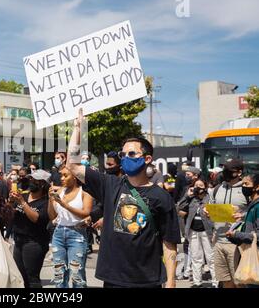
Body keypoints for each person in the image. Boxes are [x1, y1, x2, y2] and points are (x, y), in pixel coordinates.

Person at [66, 109, 180, 288]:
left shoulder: (161, 197)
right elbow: (72, 165)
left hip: (147, 281)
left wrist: (171, 283)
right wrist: (78, 129)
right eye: (123, 154)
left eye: (132, 154)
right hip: (113, 279)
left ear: (147, 158)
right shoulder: (110, 185)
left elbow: (169, 243)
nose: (126, 157)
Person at [47, 166, 93, 288]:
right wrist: (50, 199)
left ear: (75, 177)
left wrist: (64, 204)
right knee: (59, 274)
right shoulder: (60, 191)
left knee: (76, 274)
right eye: (61, 175)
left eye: (65, 175)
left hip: (77, 234)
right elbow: (52, 216)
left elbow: (86, 212)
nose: (62, 178)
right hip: (58, 233)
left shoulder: (84, 192)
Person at [205, 158, 248, 288]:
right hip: (219, 241)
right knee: (225, 281)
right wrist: (207, 212)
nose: (225, 173)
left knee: (240, 282)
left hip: (238, 243)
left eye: (229, 171)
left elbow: (255, 212)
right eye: (225, 170)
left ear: (239, 172)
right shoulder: (217, 189)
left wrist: (243, 215)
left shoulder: (247, 189)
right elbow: (210, 207)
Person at [9, 170, 51, 288]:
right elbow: (10, 214)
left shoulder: (46, 202)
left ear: (42, 184)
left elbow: (36, 218)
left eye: (34, 180)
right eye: (30, 179)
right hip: (18, 240)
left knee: (32, 278)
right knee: (21, 277)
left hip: (34, 242)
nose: (31, 181)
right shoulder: (25, 195)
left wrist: (22, 202)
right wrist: (11, 202)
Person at [179, 179, 217, 288]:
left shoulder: (210, 199)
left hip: (207, 231)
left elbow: (215, 215)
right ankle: (197, 282)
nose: (198, 187)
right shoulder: (191, 199)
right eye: (196, 185)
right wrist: (187, 195)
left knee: (211, 258)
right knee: (196, 257)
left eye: (200, 185)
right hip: (193, 231)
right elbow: (179, 207)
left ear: (205, 187)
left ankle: (215, 282)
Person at [226, 174, 259, 288]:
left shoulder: (258, 207)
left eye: (246, 184)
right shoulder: (252, 206)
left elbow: (257, 235)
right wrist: (234, 236)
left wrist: (237, 234)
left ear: (257, 187)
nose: (243, 187)